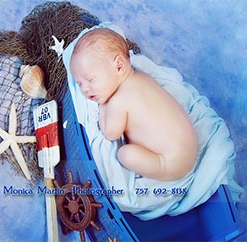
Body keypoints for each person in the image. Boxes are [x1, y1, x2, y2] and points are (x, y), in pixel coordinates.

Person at [70, 28, 198, 181]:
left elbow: (110, 133)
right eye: (79, 84)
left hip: (170, 164)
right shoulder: (142, 76)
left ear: (119, 66)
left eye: (90, 79)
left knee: (125, 154)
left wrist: (103, 103)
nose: (84, 89)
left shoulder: (118, 101)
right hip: (189, 147)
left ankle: (159, 169)